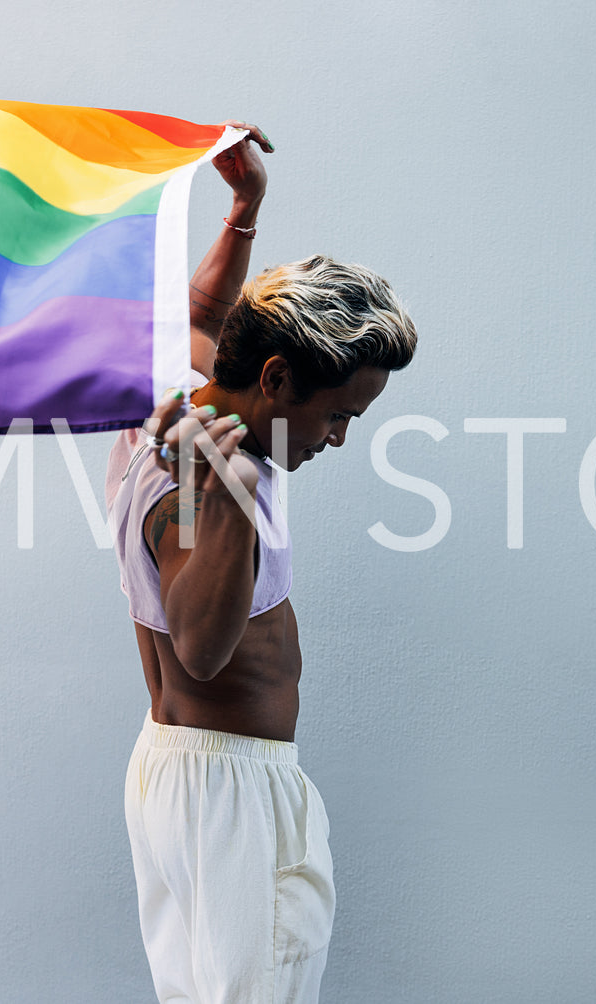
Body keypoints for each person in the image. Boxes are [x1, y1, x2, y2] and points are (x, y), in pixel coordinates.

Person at [104, 122, 417, 1003]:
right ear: (276, 379)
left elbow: (203, 317)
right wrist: (222, 492)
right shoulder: (202, 475)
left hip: (178, 774)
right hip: (231, 795)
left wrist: (242, 210)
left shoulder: (173, 393)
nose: (341, 438)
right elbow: (202, 649)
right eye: (337, 414)